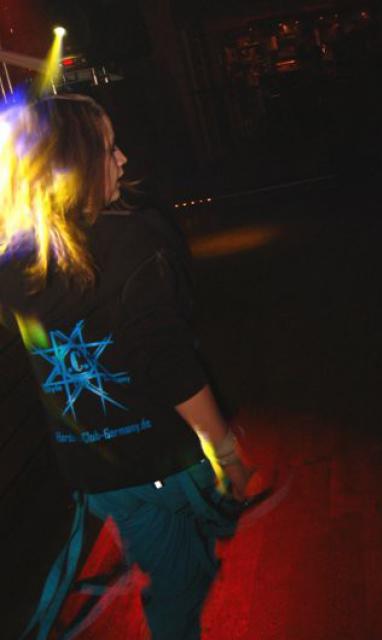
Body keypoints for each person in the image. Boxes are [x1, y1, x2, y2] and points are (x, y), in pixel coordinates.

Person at [0, 94, 254, 639]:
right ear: (72, 168)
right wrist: (225, 449)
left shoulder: (12, 261)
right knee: (185, 578)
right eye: (109, 149)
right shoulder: (127, 239)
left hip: (93, 474)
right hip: (159, 461)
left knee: (179, 563)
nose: (123, 159)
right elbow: (170, 362)